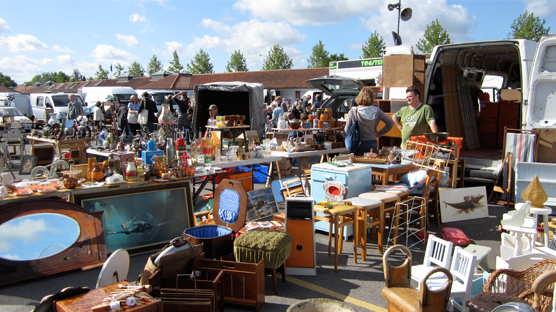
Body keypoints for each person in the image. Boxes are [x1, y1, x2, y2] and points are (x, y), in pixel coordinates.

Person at [344, 88, 394, 156]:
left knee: (358, 165)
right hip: (372, 142)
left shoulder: (353, 111)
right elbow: (391, 123)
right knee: (372, 163)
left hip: (357, 143)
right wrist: (379, 133)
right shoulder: (377, 111)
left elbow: (346, 130)